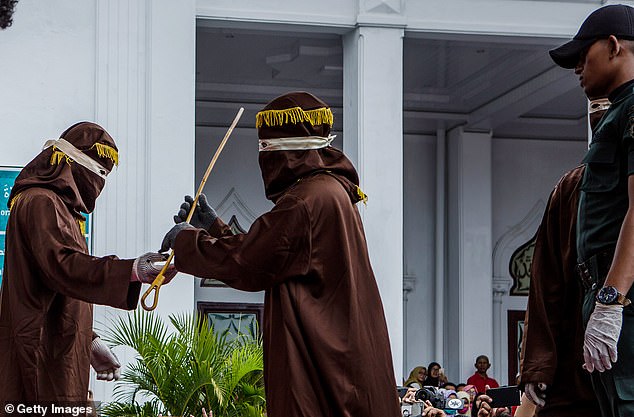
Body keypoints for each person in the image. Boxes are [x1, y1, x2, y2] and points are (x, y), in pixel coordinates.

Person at [160, 92, 401, 417]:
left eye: (266, 150)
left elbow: (249, 263)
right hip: (344, 366)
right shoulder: (331, 192)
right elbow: (275, 254)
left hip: (321, 372)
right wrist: (215, 227)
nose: (262, 160)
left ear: (287, 153)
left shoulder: (306, 201)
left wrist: (186, 242)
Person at [0, 122, 176, 407]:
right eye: (99, 173)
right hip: (40, 355)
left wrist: (88, 342)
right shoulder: (42, 202)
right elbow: (64, 267)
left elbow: (58, 287)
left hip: (57, 351)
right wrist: (133, 270)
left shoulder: (61, 209)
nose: (100, 183)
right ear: (74, 165)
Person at [548, 4, 634, 416]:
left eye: (584, 55)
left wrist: (612, 299)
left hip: (622, 297)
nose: (577, 68)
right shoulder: (619, 110)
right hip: (603, 292)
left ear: (615, 46)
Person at [518, 106, 606, 416]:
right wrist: (538, 368)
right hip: (579, 375)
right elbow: (546, 289)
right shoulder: (572, 189)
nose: (601, 113)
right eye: (594, 106)